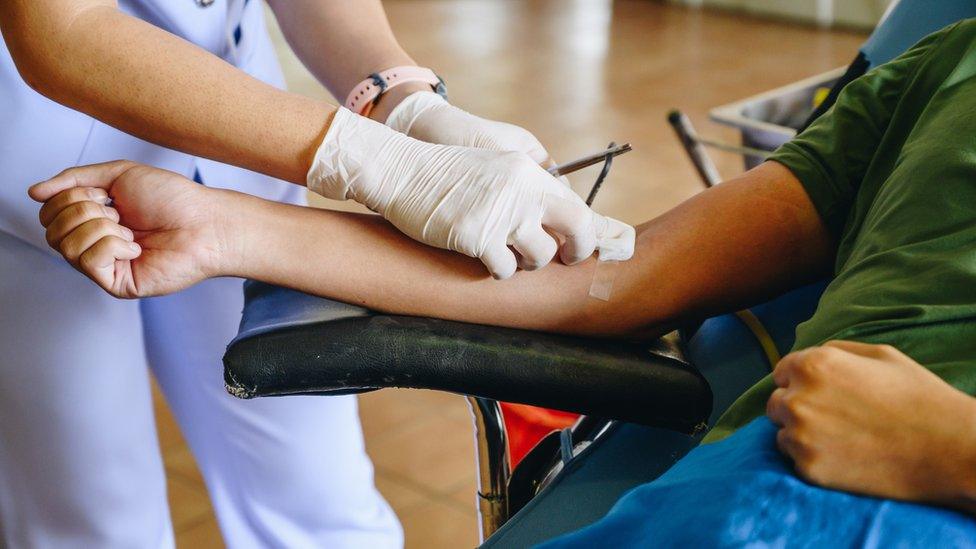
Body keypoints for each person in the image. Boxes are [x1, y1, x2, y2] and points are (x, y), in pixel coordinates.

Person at [28, 17, 976, 546]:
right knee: (86, 507)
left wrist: (948, 448)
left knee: (319, 508)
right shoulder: (947, 66)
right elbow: (623, 279)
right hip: (728, 504)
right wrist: (239, 223)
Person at [0, 1, 633, 546]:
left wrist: (400, 101)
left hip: (229, 128)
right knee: (92, 514)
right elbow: (64, 25)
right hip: (29, 164)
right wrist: (378, 162)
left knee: (322, 498)